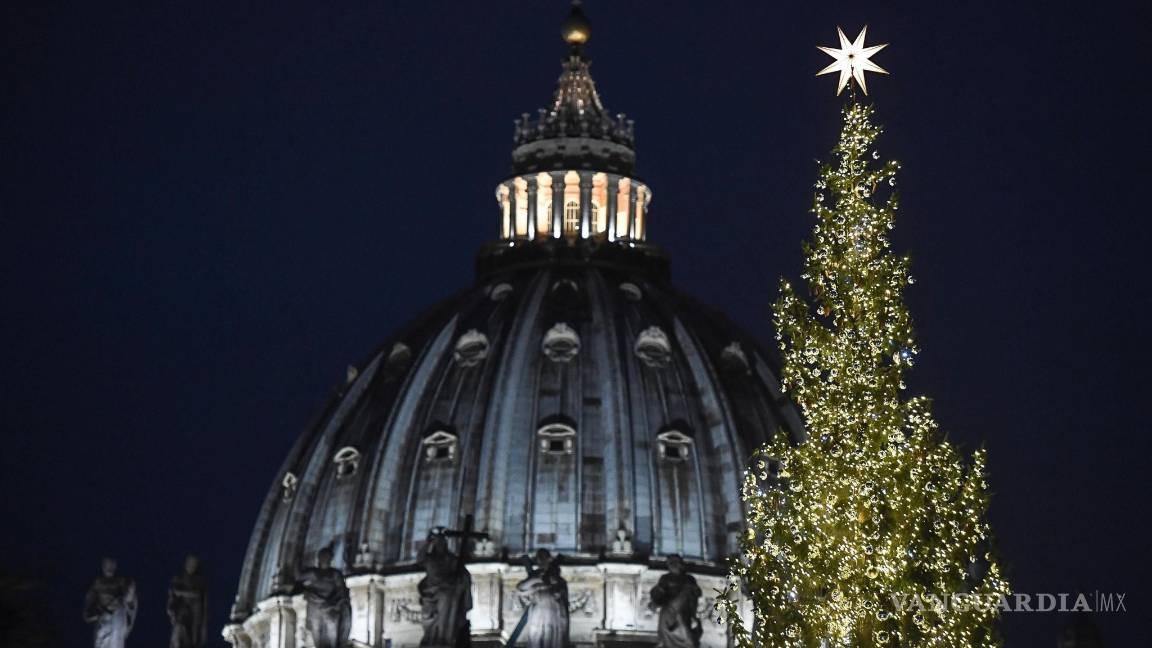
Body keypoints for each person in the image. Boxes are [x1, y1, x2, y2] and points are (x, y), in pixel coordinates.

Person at [417, 530, 472, 647]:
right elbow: (420, 558)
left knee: (448, 597)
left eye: (442, 543)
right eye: (438, 543)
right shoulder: (430, 559)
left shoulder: (452, 560)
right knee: (442, 599)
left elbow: (464, 575)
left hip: (448, 593)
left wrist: (460, 581)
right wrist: (427, 542)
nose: (440, 546)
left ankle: (444, 637)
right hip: (431, 593)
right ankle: (434, 638)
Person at [294, 548, 352, 648]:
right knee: (316, 632)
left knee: (332, 631)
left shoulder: (335, 574)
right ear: (319, 558)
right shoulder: (313, 573)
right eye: (324, 557)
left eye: (327, 557)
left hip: (330, 607)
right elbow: (298, 576)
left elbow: (342, 591)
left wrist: (332, 603)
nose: (325, 559)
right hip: (315, 608)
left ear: (330, 559)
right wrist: (297, 560)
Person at [515, 549, 569, 648]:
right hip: (538, 612)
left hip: (554, 613)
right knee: (536, 637)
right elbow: (520, 588)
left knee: (553, 638)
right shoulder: (534, 576)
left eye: (544, 557)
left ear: (549, 559)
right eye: (540, 558)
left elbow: (561, 594)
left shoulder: (559, 580)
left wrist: (549, 584)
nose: (541, 561)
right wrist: (536, 580)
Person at [648, 555, 702, 648]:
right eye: (670, 564)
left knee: (685, 628)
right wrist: (655, 602)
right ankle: (664, 642)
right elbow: (659, 592)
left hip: (683, 608)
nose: (671, 566)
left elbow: (697, 592)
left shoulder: (689, 579)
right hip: (669, 609)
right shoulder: (665, 578)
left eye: (673, 563)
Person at [83, 557, 138, 648]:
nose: (109, 567)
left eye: (111, 565)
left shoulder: (123, 582)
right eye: (107, 565)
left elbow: (131, 602)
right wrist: (100, 612)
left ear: (115, 566)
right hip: (103, 624)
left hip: (117, 623)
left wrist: (129, 595)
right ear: (103, 566)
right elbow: (88, 613)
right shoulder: (97, 585)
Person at [167, 554, 208, 648]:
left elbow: (203, 603)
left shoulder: (200, 582)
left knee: (192, 641)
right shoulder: (179, 579)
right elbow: (173, 594)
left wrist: (203, 629)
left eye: (194, 564)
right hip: (182, 615)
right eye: (190, 563)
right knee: (179, 638)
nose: (191, 566)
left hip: (195, 617)